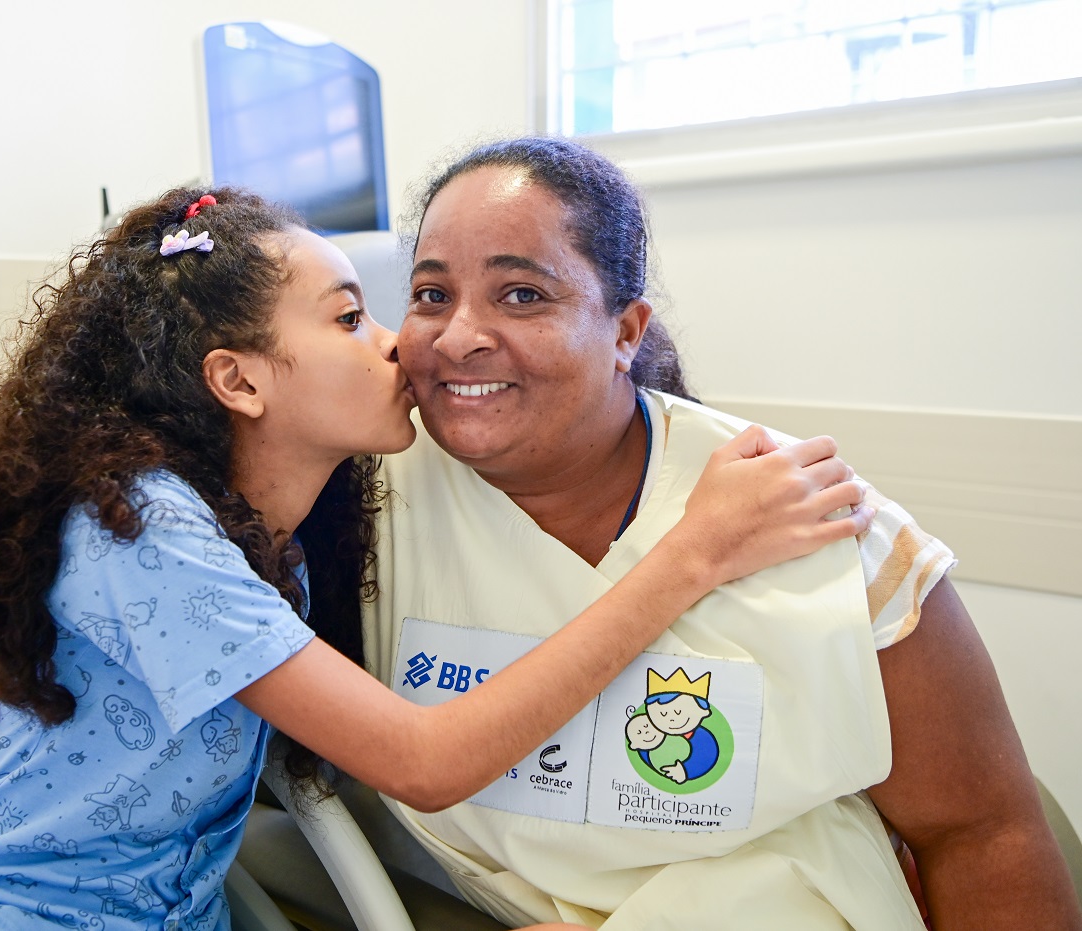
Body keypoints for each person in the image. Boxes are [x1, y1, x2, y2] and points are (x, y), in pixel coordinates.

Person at [0, 187, 868, 931]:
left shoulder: (280, 553)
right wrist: (691, 553)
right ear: (238, 380)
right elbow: (423, 760)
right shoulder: (142, 527)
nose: (401, 341)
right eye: (351, 315)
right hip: (6, 918)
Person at [358, 136, 1081, 929]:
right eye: (431, 294)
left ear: (626, 332)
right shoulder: (367, 499)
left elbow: (981, 833)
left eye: (523, 294)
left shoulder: (816, 525)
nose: (458, 336)